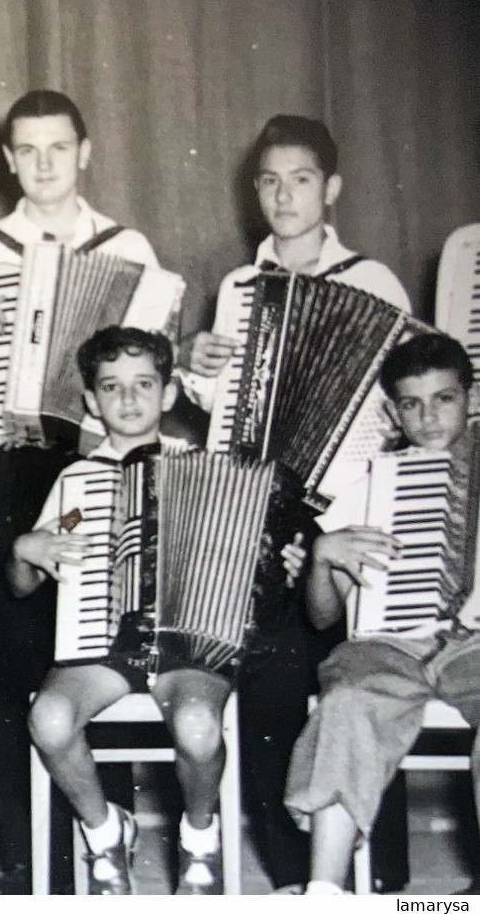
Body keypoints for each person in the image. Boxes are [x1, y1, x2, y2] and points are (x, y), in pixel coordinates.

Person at [0, 90, 161, 891]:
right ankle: (26, 864)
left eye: (60, 148)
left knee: (99, 643)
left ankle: (104, 840)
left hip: (93, 465)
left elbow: (157, 368)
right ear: (8, 161)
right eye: (29, 151)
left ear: (85, 153)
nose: (45, 164)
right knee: (11, 657)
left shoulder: (131, 249)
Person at [179, 113, 412, 892]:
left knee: (363, 674)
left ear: (332, 189)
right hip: (260, 504)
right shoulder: (241, 289)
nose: (283, 194)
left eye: (301, 178)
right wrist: (198, 364)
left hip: (350, 502)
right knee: (274, 668)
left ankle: (384, 870)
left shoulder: (374, 283)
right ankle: (293, 872)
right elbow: (223, 412)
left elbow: (406, 409)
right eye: (270, 180)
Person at [21, 327, 246, 895]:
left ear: (169, 394)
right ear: (92, 402)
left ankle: (200, 838)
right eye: (111, 387)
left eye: (144, 384)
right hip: (104, 643)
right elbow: (32, 571)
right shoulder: (79, 483)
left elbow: (240, 560)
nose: (128, 399)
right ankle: (104, 835)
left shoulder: (204, 471)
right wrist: (28, 549)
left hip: (186, 643)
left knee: (197, 726)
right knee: (48, 718)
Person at [285, 333, 477, 896]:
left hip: (474, 644)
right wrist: (322, 559)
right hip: (389, 643)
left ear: (469, 397)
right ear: (393, 411)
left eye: (444, 398)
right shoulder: (368, 484)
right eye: (411, 404)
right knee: (346, 703)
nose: (429, 417)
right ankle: (324, 891)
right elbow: (323, 618)